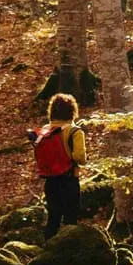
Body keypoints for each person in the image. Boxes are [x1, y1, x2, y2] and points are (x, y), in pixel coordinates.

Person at [28, 93, 86, 238]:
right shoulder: (74, 131)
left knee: (53, 217)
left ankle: (48, 247)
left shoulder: (46, 130)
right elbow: (80, 157)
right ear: (72, 111)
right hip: (69, 179)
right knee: (70, 218)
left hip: (50, 180)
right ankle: (68, 251)